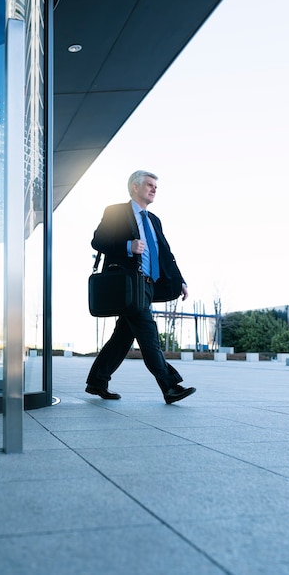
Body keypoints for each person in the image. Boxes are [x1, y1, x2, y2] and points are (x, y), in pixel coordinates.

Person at [85, 170, 196, 404]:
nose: (154, 189)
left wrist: (180, 280)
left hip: (148, 286)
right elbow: (98, 241)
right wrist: (128, 245)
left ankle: (97, 381)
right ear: (135, 187)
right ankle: (170, 387)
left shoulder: (154, 219)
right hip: (128, 285)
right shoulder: (116, 211)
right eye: (149, 185)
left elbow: (166, 254)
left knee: (123, 337)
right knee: (148, 336)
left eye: (156, 186)